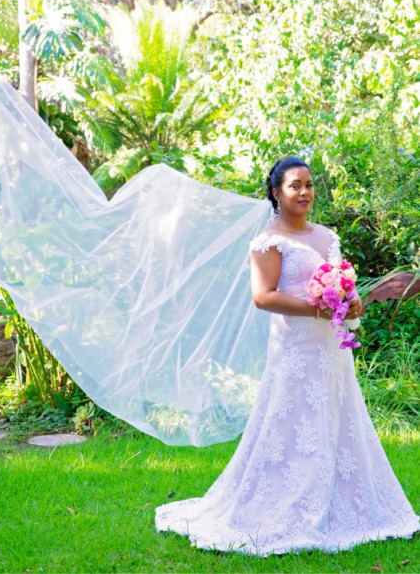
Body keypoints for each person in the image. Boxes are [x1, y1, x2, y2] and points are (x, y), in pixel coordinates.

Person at [155, 155, 419, 555]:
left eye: (309, 185)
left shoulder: (327, 237)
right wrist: (318, 308)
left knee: (336, 416)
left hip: (331, 348)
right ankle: (289, 502)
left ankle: (343, 502)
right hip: (295, 347)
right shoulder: (269, 241)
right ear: (277, 193)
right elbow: (263, 296)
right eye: (295, 186)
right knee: (294, 420)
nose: (304, 192)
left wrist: (352, 301)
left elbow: (343, 288)